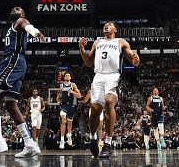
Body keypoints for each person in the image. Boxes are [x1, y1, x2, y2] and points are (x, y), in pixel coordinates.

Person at [0, 6, 44, 157]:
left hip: (13, 63)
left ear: (23, 14)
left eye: (18, 9)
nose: (14, 9)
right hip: (12, 62)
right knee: (11, 104)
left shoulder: (20, 21)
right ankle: (29, 144)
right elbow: (14, 49)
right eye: (13, 8)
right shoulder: (11, 28)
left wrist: (36, 33)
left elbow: (28, 26)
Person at [79, 22, 140, 159]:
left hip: (113, 75)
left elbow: (132, 58)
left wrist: (135, 59)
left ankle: (108, 144)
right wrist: (82, 49)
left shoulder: (121, 41)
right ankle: (93, 138)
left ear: (115, 29)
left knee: (109, 101)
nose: (107, 26)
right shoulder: (97, 42)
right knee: (94, 112)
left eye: (110, 24)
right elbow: (88, 62)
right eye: (105, 25)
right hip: (98, 76)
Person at [58, 73, 81, 149]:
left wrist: (72, 92)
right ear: (64, 78)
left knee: (70, 123)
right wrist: (58, 98)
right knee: (63, 120)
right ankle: (62, 140)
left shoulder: (73, 85)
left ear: (70, 77)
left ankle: (69, 136)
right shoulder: (61, 85)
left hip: (71, 105)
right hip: (63, 105)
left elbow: (79, 95)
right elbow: (60, 95)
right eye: (66, 75)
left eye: (68, 75)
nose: (67, 76)